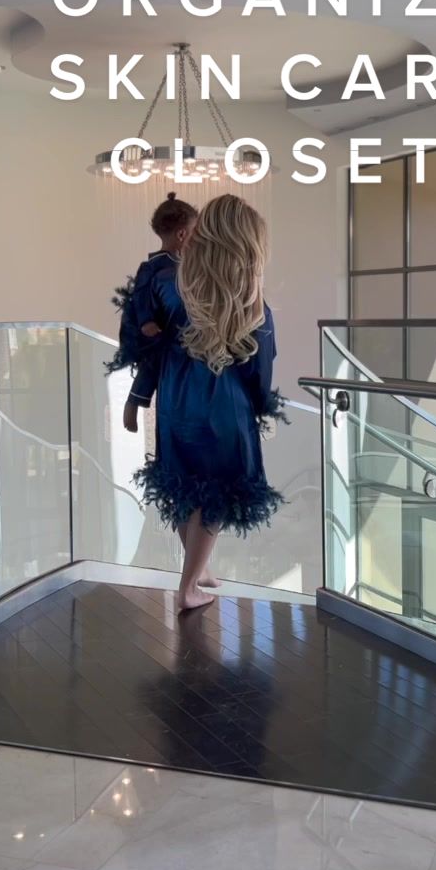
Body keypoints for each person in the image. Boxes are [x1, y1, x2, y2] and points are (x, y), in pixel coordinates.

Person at [134, 193, 287, 611]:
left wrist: (141, 395)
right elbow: (260, 372)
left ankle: (197, 568)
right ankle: (187, 588)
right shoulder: (252, 307)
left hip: (175, 403)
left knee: (184, 486)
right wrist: (261, 408)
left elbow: (150, 346)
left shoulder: (172, 288)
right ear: (247, 248)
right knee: (214, 495)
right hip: (224, 409)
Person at [105, 192, 197, 432]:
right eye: (195, 233)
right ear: (182, 234)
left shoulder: (184, 266)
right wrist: (146, 321)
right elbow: (141, 295)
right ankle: (133, 401)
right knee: (153, 363)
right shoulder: (154, 266)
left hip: (174, 328)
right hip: (157, 326)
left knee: (161, 363)